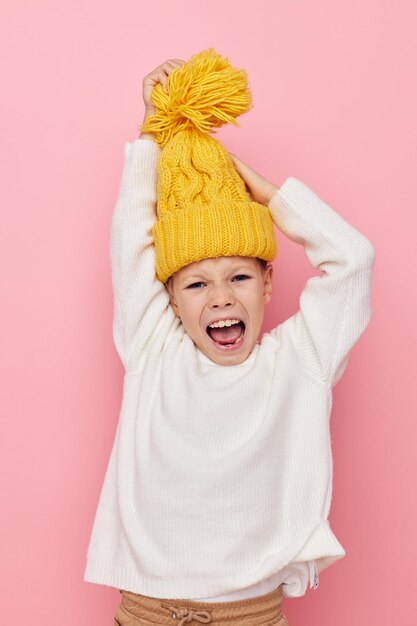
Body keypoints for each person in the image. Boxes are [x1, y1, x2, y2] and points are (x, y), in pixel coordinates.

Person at [83, 49, 376, 626]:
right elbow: (129, 247)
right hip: (147, 613)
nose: (220, 297)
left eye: (240, 276)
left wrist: (271, 196)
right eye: (196, 284)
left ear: (270, 282)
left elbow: (354, 260)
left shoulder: (302, 358)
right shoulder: (152, 348)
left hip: (252, 616)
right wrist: (149, 136)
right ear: (169, 299)